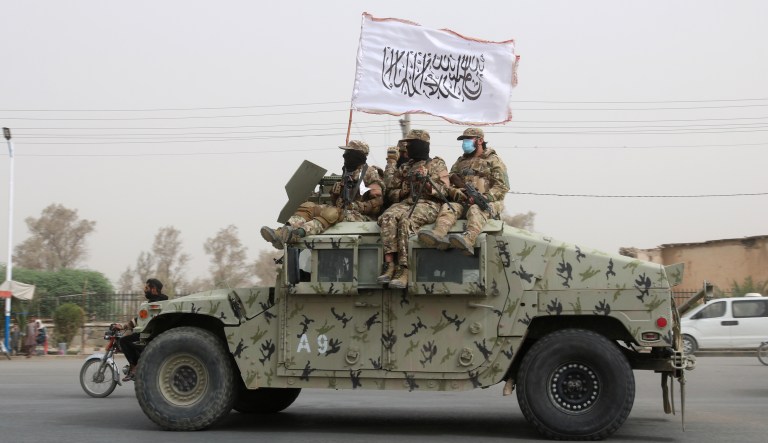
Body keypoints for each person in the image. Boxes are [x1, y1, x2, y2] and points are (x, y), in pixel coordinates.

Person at [261, 140, 385, 249]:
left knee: (331, 213)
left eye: (349, 152)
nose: (345, 155)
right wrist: (335, 194)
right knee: (309, 206)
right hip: (345, 212)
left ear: (358, 154)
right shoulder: (348, 173)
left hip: (363, 217)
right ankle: (281, 233)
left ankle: (299, 233)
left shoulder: (369, 173)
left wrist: (355, 206)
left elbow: (377, 203)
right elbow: (339, 201)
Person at [377, 129, 451, 289]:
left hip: (429, 203)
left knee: (406, 221)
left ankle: (404, 269)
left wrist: (427, 181)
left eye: (410, 144)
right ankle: (389, 265)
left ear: (420, 145)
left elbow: (446, 191)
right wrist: (403, 191)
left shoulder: (437, 164)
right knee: (387, 217)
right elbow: (390, 190)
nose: (407, 147)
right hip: (408, 202)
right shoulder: (405, 167)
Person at [417, 127, 510, 254]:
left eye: (468, 139)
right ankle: (439, 234)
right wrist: (458, 192)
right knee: (448, 207)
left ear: (480, 140)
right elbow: (450, 182)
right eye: (463, 140)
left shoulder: (493, 160)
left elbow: (502, 186)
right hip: (464, 201)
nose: (464, 143)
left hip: (488, 203)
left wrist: (486, 197)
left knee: (476, 210)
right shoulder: (460, 162)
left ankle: (468, 239)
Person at [118, 278, 168, 381]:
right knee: (131, 339)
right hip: (152, 333)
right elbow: (141, 319)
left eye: (146, 287)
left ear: (153, 289)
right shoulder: (159, 301)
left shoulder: (157, 303)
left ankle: (134, 368)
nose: (144, 290)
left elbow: (140, 319)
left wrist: (124, 327)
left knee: (124, 341)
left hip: (152, 336)